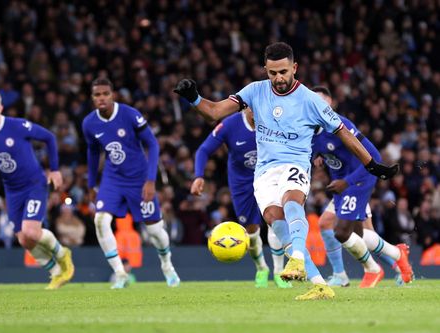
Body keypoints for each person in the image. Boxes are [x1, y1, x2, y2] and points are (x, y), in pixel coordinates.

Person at [174, 42, 398, 300]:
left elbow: (344, 133)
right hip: (264, 173)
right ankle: (320, 285)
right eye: (272, 73)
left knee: (292, 201)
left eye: (283, 72)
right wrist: (194, 98)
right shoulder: (254, 91)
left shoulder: (311, 101)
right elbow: (214, 112)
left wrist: (371, 164)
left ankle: (299, 258)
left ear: (294, 68)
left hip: (295, 164)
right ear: (265, 70)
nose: (278, 78)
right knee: (276, 223)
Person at [0, 90, 74, 290]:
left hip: (34, 184)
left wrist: (55, 170)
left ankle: (63, 254)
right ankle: (56, 273)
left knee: (31, 231)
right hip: (12, 190)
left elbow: (49, 137)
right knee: (24, 240)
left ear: (0, 108)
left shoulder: (17, 125)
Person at [82, 77, 180, 289]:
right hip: (112, 179)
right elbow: (92, 152)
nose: (101, 98)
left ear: (112, 95)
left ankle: (167, 265)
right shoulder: (89, 123)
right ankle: (119, 273)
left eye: (105, 94)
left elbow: (152, 145)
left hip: (139, 179)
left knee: (155, 231)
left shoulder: (129, 114)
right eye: (97, 94)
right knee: (100, 220)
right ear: (92, 98)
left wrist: (151, 180)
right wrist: (91, 184)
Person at [311, 86, 413, 288]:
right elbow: (323, 148)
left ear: (330, 104)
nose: (317, 107)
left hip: (358, 180)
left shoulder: (342, 125)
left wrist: (346, 182)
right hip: (340, 184)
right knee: (358, 233)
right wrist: (319, 157)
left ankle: (372, 269)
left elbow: (374, 157)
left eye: (322, 102)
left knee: (341, 232)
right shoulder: (309, 128)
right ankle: (397, 254)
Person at [191, 108, 291, 289]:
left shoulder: (275, 122)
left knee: (275, 220)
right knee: (251, 231)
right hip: (242, 183)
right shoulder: (230, 125)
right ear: (245, 107)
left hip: (270, 177)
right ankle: (261, 268)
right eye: (254, 106)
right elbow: (204, 150)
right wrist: (199, 175)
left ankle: (278, 272)